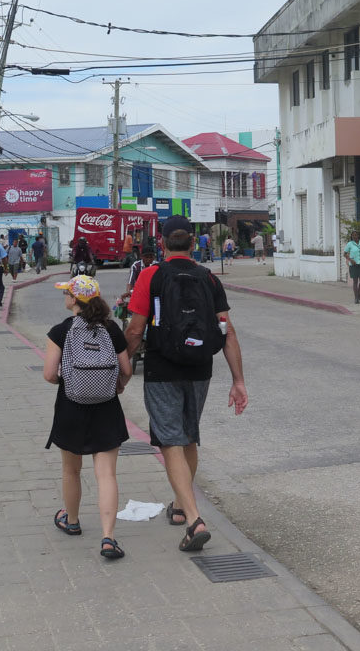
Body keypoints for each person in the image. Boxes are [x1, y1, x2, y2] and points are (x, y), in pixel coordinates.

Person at [125, 215, 248, 552]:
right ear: (193, 244)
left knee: (169, 441)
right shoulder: (208, 279)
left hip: (163, 367)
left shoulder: (150, 275)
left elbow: (135, 330)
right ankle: (180, 507)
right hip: (200, 368)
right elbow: (227, 330)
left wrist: (122, 370)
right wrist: (238, 380)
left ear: (162, 243)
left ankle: (194, 519)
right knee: (188, 437)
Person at [43, 274, 131, 559]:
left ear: (74, 300)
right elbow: (126, 370)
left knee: (71, 470)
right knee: (106, 474)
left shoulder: (60, 331)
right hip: (107, 407)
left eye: (66, 293)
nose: (64, 298)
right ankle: (108, 538)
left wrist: (71, 381)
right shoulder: (112, 329)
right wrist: (114, 385)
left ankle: (72, 521)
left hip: (71, 407)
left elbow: (48, 374)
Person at [343, 230, 360, 304]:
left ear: (358, 236)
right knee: (355, 281)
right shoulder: (350, 244)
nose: (354, 236)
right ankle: (356, 298)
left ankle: (358, 291)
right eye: (353, 235)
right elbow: (344, 254)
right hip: (353, 265)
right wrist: (350, 260)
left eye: (356, 235)